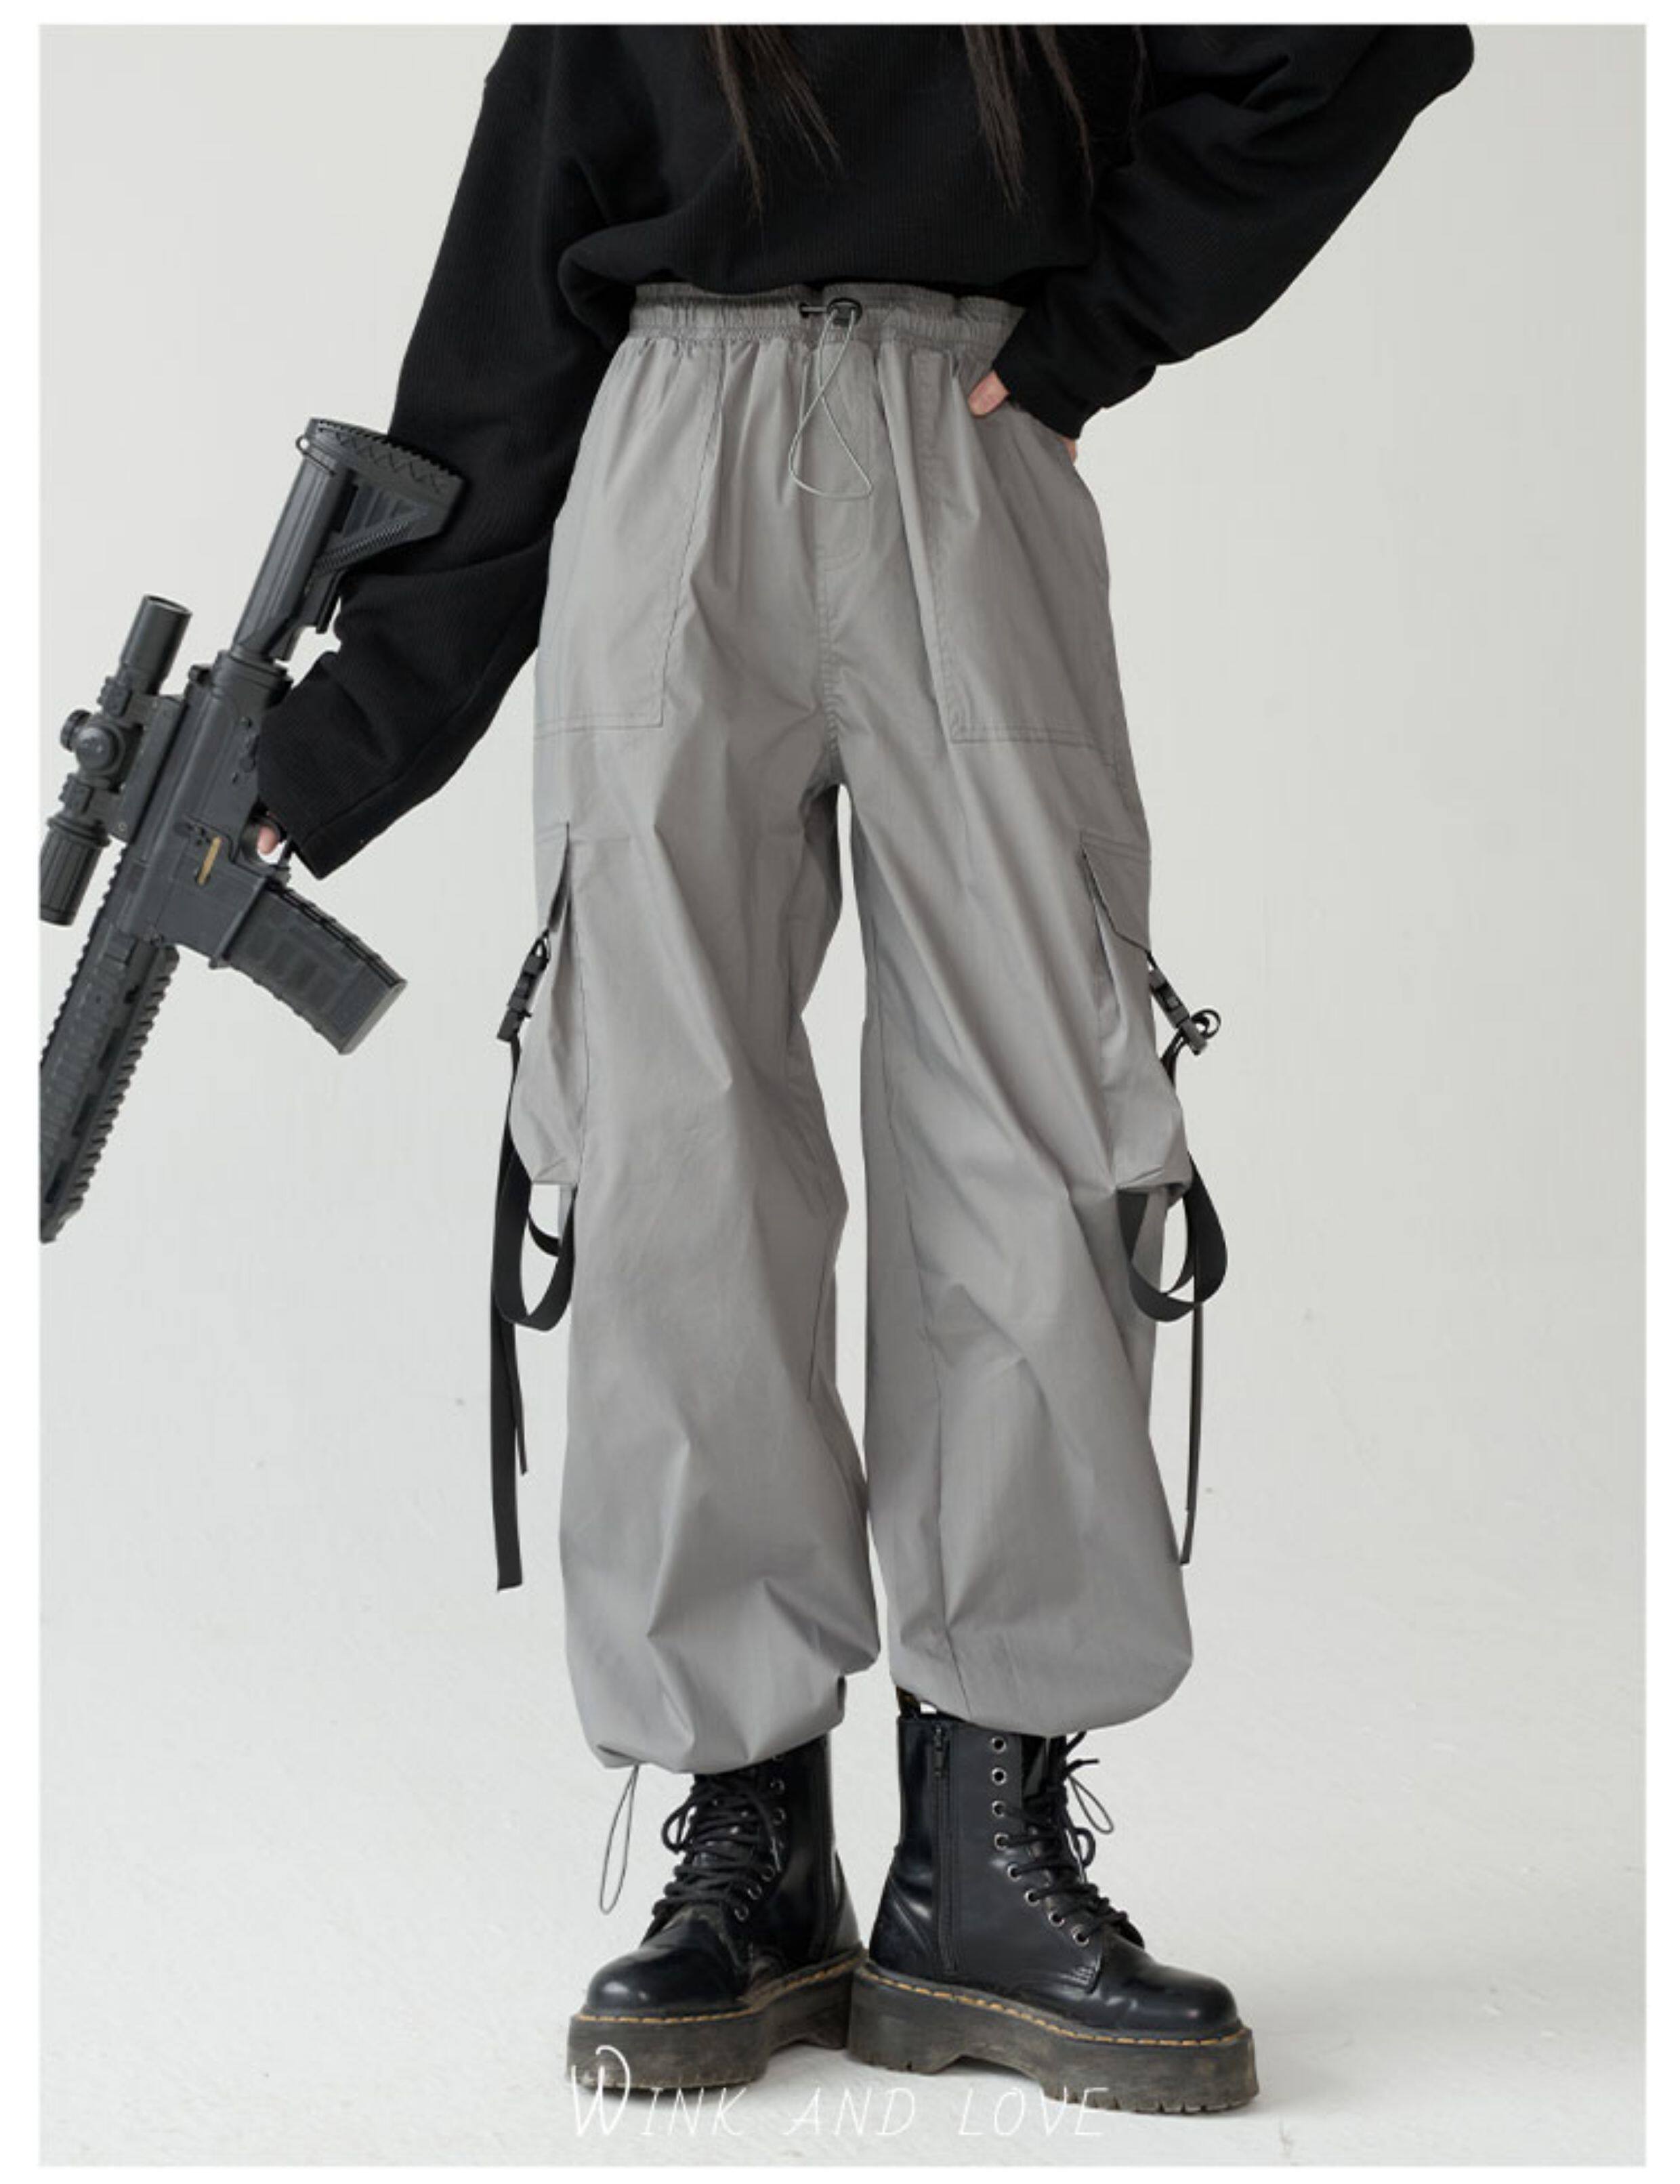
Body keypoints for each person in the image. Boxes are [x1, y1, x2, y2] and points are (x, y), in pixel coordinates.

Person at [254, 24, 1473, 2112]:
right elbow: (512, 315)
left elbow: (1357, 42)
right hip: (666, 442)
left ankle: (984, 1855)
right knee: (664, 1142)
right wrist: (344, 738)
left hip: (962, 428)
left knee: (1036, 1119)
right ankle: (751, 1839)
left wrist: (1092, 332)